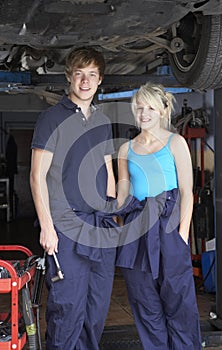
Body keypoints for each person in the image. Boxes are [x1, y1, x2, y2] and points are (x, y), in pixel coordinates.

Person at [30, 47, 117, 350]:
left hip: (100, 227)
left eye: (91, 74)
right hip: (66, 227)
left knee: (95, 310)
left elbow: (109, 170)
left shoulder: (103, 120)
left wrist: (114, 214)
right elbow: (37, 176)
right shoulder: (51, 119)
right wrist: (46, 227)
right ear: (69, 76)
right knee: (67, 309)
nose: (85, 81)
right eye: (79, 73)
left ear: (99, 80)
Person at [116, 82, 202, 349]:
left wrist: (182, 237)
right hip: (137, 233)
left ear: (163, 110)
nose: (144, 113)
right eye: (139, 107)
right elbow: (122, 195)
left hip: (169, 230)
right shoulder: (125, 150)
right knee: (144, 303)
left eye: (150, 107)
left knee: (179, 303)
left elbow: (187, 192)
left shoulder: (176, 143)